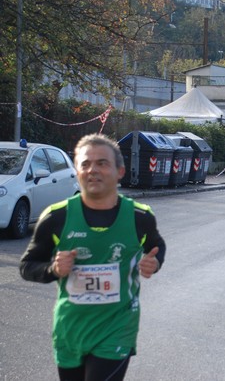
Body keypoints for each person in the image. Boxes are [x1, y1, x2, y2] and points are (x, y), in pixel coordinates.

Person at [20, 134, 166, 381]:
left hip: (117, 328)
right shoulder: (56, 217)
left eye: (102, 163)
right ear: (76, 171)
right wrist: (54, 270)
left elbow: (156, 245)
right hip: (70, 330)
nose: (92, 170)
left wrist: (155, 262)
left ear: (120, 171)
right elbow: (27, 266)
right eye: (85, 164)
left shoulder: (140, 217)